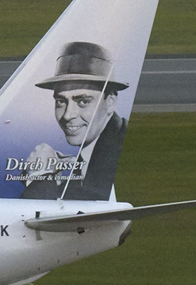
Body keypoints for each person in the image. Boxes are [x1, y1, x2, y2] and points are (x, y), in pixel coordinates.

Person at [19, 41, 129, 201]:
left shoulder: (116, 153)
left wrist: (41, 176)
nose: (67, 115)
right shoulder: (99, 150)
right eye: (61, 102)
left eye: (83, 101)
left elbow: (87, 209)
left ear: (110, 101)